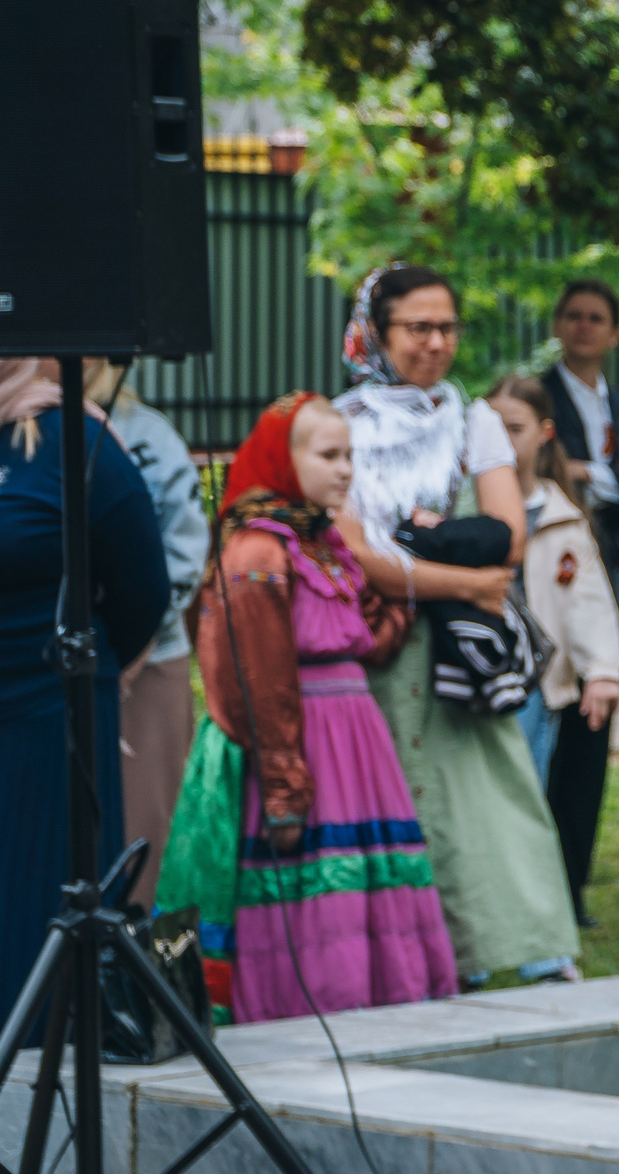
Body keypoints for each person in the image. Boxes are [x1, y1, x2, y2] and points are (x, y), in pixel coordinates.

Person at [159, 395, 456, 1022]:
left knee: (358, 876)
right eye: (328, 455)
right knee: (304, 881)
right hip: (302, 738)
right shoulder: (257, 553)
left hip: (355, 743)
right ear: (280, 459)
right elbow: (258, 680)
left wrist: (401, 590)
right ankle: (309, 1006)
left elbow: (369, 635)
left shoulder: (321, 545)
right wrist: (285, 787)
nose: (346, 469)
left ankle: (377, 1003)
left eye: (350, 455)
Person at [334, 264, 583, 986]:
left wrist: (413, 547)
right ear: (376, 333)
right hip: (377, 644)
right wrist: (463, 572)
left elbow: (506, 538)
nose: (436, 343)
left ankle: (522, 947)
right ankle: (421, 961)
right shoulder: (340, 423)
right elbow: (354, 553)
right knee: (396, 801)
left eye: (447, 327)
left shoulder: (470, 417)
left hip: (457, 650)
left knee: (493, 795)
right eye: (418, 327)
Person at [0, 361, 169, 1022]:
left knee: (35, 906)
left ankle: (38, 1071)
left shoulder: (73, 437)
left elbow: (144, 587)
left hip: (49, 709)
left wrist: (84, 675)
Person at [538, 279, 619, 930]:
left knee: (593, 728)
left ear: (615, 333)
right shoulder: (537, 395)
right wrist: (608, 476)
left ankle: (573, 881)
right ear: (558, 325)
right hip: (545, 578)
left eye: (596, 318)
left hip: (607, 576)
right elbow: (538, 468)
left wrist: (587, 472)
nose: (583, 326)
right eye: (573, 315)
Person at [83, 362, 210, 909]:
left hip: (149, 661)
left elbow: (181, 557)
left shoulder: (148, 434)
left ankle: (132, 957)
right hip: (64, 662)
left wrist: (129, 651)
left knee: (144, 819)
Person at [490, 376, 619, 793]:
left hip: (534, 683)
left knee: (526, 794)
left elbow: (587, 599)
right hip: (472, 679)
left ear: (544, 434)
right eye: (491, 430)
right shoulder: (461, 507)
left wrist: (602, 670)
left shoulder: (560, 518)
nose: (501, 441)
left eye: (514, 429)